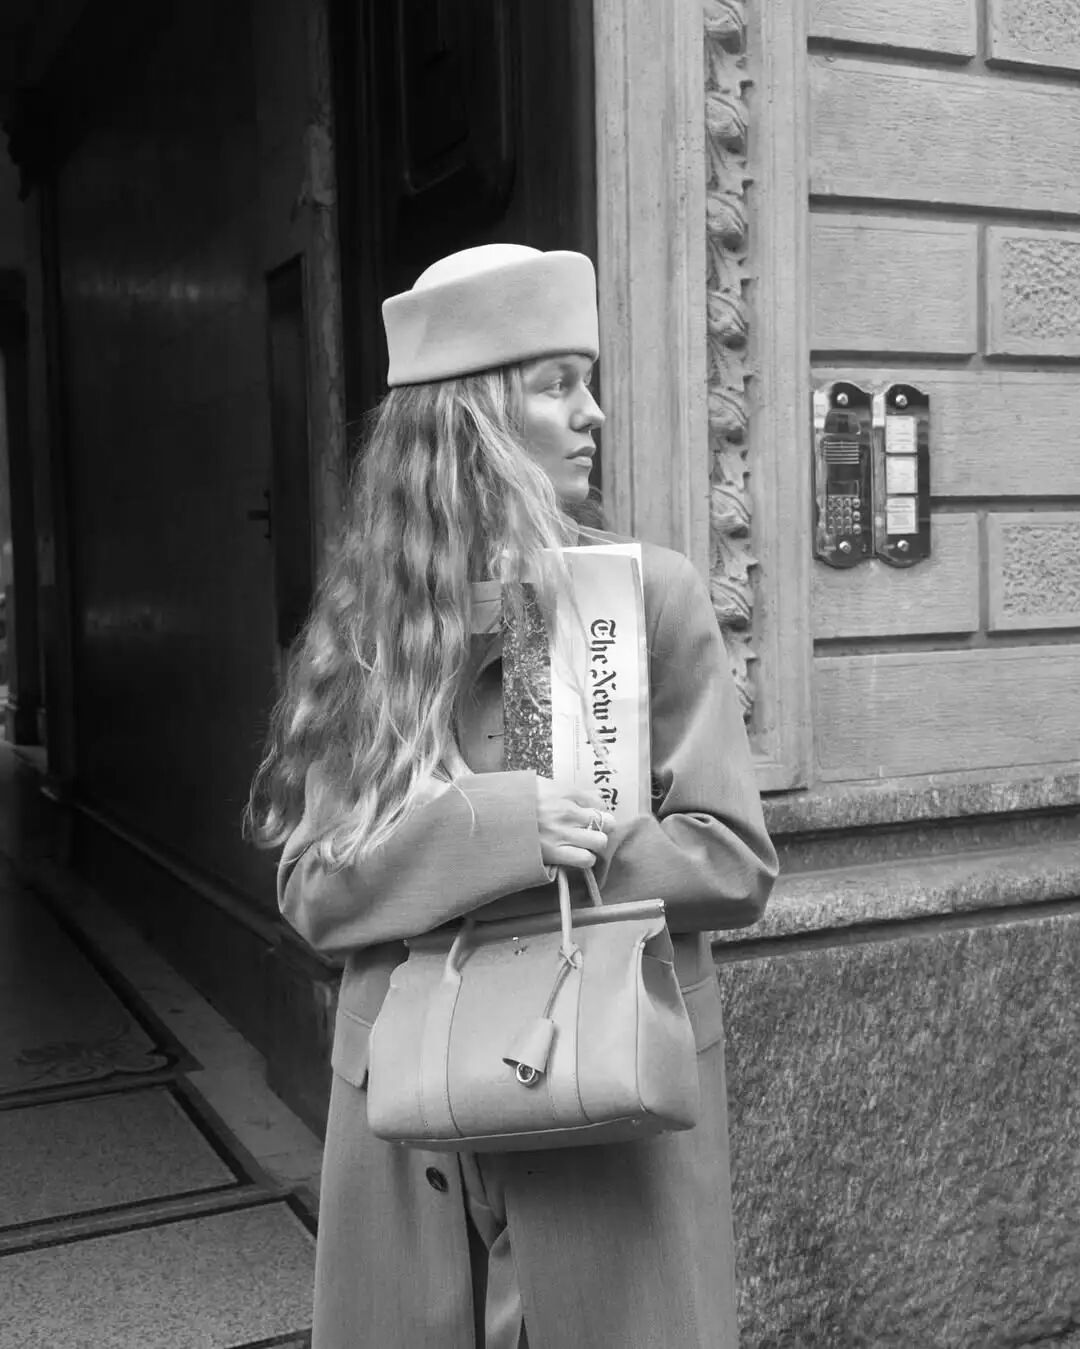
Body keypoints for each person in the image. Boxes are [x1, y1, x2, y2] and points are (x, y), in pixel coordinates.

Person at [247, 243, 778, 1349]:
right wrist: (497, 832)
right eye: (556, 383)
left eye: (589, 380)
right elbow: (314, 892)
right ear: (473, 420)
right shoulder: (372, 629)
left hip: (607, 1096)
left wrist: (566, 842)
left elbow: (731, 860)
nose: (593, 413)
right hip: (411, 1119)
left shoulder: (643, 595)